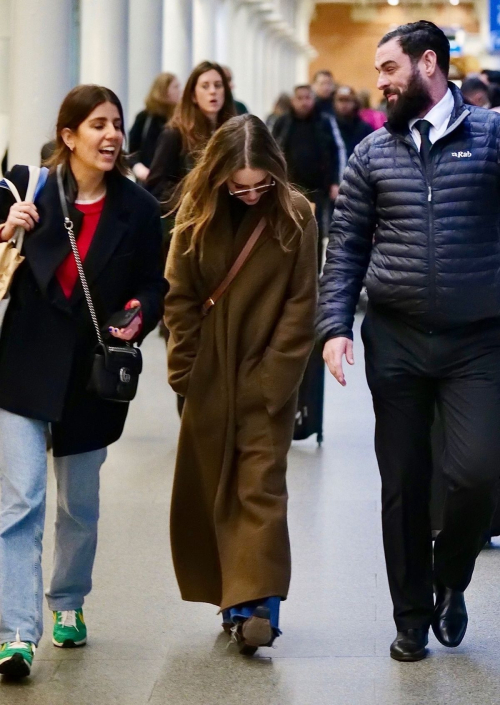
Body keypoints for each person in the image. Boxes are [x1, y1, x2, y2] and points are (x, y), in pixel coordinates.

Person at [317, 20, 500, 663]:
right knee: (403, 481)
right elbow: (346, 250)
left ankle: (451, 577)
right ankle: (411, 617)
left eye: (389, 70)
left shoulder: (491, 137)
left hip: (479, 341)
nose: (380, 84)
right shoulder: (372, 153)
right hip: (395, 338)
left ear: (428, 65)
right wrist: (336, 327)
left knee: (477, 474)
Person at [0, 84, 165, 679]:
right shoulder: (25, 186)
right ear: (68, 136)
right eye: (97, 124)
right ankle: (16, 632)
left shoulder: (139, 208)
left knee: (79, 504)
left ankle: (68, 601)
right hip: (23, 362)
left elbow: (154, 285)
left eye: (116, 124)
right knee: (20, 500)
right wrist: (3, 227)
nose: (111, 135)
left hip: (92, 372)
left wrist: (137, 316)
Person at [164, 114, 318, 655]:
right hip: (207, 375)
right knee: (214, 486)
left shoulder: (297, 215)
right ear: (220, 175)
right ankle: (234, 603)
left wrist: (272, 379)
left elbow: (303, 305)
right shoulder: (197, 212)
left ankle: (260, 608)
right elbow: (179, 295)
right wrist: (184, 370)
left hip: (266, 376)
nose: (252, 194)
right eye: (240, 184)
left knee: (260, 486)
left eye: (261, 184)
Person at [146, 61, 236, 213]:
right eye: (205, 86)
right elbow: (156, 187)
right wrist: (192, 197)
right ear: (193, 95)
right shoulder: (175, 134)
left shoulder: (233, 132)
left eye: (218, 85)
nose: (212, 91)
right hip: (189, 221)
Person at [272, 84, 339, 270]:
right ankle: (288, 272)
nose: (304, 102)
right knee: (288, 230)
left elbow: (335, 152)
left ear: (313, 99)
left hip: (317, 187)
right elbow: (271, 152)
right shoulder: (282, 123)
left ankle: (313, 272)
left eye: (307, 98)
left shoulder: (324, 122)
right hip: (289, 187)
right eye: (299, 98)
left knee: (315, 231)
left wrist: (335, 181)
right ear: (293, 101)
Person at [128, 72, 181, 183]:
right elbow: (132, 151)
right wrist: (138, 168)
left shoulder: (180, 118)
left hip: (171, 183)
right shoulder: (144, 117)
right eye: (176, 87)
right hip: (147, 181)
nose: (180, 91)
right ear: (164, 91)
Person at [334, 86, 373, 159]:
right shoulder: (329, 127)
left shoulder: (364, 128)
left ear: (355, 103)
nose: (344, 104)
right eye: (340, 100)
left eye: (347, 100)